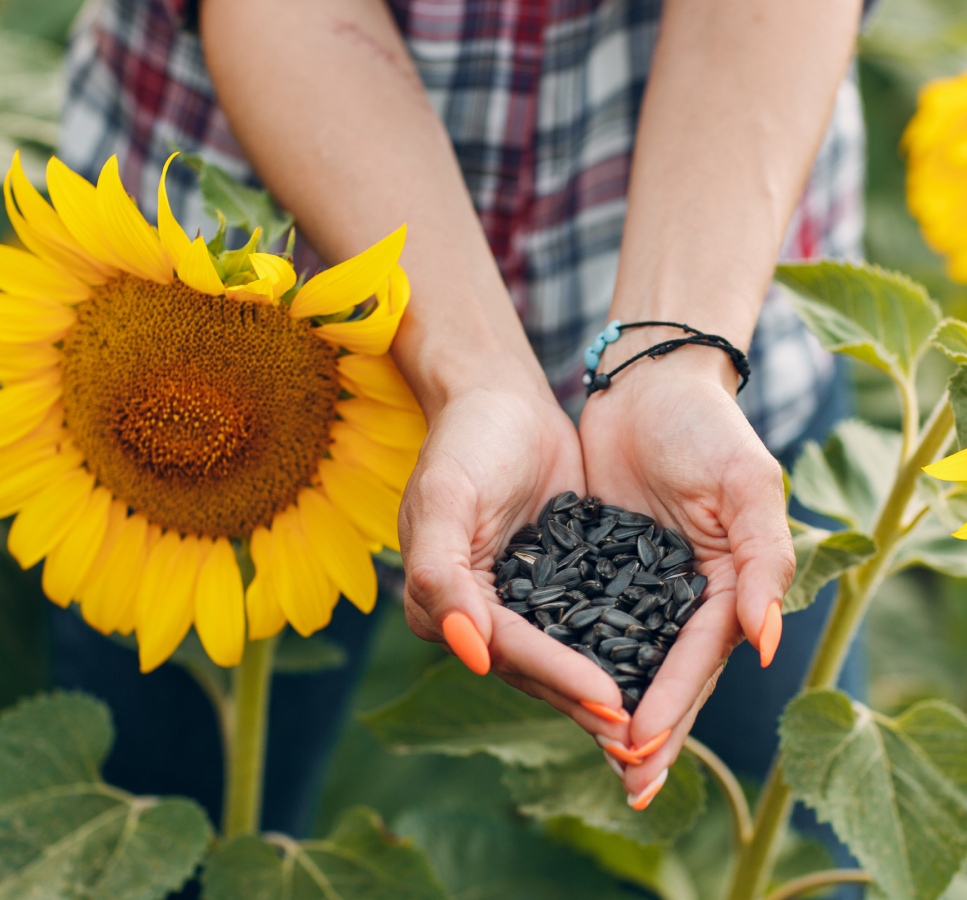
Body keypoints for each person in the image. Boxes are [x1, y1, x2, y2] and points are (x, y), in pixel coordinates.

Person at [54, 0, 868, 854]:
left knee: (785, 841)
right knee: (175, 818)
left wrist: (680, 358)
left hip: (722, 256)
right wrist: (473, 374)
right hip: (238, 310)